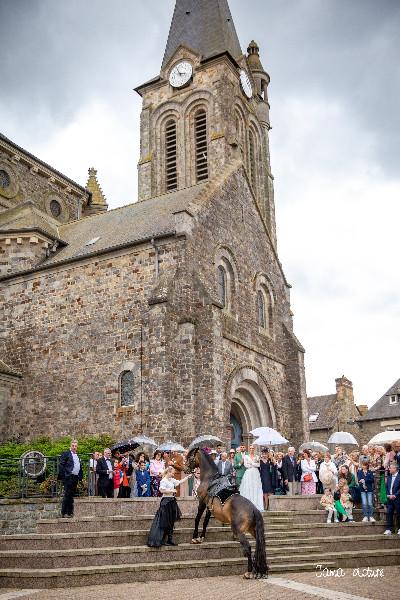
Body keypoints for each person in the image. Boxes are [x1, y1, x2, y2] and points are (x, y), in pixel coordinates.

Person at [147, 467, 192, 547]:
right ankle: (162, 539)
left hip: (171, 501)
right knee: (165, 521)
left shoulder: (171, 480)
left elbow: (179, 482)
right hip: (166, 502)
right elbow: (162, 490)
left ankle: (169, 540)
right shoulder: (163, 480)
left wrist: (187, 477)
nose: (173, 474)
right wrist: (172, 491)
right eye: (172, 473)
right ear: (169, 472)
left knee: (171, 521)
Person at [58, 439, 83, 518]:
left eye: (75, 446)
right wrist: (65, 476)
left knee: (71, 495)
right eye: (73, 446)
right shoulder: (66, 454)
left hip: (75, 477)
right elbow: (61, 465)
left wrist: (80, 477)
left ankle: (70, 512)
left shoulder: (77, 455)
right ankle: (64, 512)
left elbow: (79, 466)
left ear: (77, 447)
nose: (74, 447)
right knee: (67, 494)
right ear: (70, 446)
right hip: (68, 477)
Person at [239, 444, 264, 511]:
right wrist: (253, 464)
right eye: (250, 448)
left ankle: (256, 504)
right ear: (249, 449)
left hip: (255, 473)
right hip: (249, 473)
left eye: (253, 448)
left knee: (255, 487)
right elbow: (246, 465)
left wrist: (252, 463)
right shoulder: (246, 456)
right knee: (248, 487)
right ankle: (247, 504)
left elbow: (258, 465)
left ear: (254, 449)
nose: (252, 449)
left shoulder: (257, 456)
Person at [383, 462, 400, 535]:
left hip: (398, 499)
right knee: (389, 513)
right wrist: (387, 495)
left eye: (390, 468)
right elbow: (386, 487)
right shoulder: (389, 477)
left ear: (395, 468)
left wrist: (395, 495)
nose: (389, 469)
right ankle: (388, 529)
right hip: (390, 499)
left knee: (399, 514)